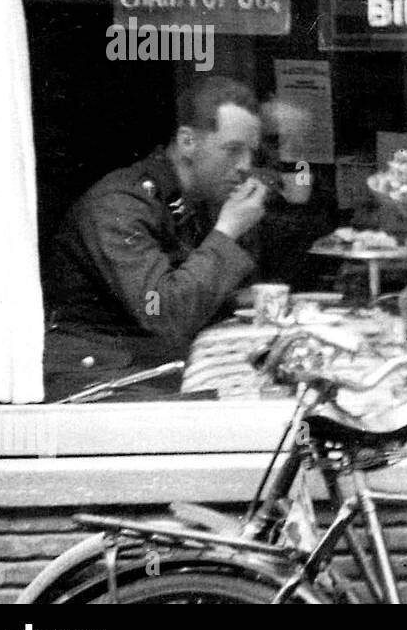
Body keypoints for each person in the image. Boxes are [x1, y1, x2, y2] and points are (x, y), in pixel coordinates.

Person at [42, 77, 269, 400]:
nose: (246, 166)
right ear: (188, 141)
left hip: (147, 372)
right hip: (99, 383)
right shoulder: (119, 205)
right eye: (232, 150)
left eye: (251, 153)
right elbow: (164, 312)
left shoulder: (191, 201)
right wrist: (228, 231)